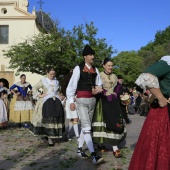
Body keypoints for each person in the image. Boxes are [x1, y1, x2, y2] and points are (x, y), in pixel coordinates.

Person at [129, 56, 170, 170]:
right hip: (164, 114)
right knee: (161, 148)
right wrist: (161, 98)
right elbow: (147, 76)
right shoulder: (168, 62)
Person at [66, 44, 104, 164]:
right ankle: (93, 156)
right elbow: (71, 86)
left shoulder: (96, 69)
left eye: (93, 54)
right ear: (84, 57)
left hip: (92, 100)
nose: (92, 56)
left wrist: (98, 89)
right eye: (90, 55)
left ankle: (79, 150)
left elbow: (99, 84)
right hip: (81, 100)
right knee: (87, 127)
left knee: (85, 127)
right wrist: (71, 101)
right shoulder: (78, 68)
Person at [92, 57, 126, 158]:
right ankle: (102, 144)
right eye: (109, 65)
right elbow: (96, 87)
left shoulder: (115, 76)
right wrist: (104, 92)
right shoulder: (99, 75)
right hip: (103, 102)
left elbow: (118, 87)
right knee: (104, 123)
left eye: (112, 66)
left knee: (114, 121)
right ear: (104, 66)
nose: (111, 67)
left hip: (114, 102)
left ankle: (114, 146)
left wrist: (116, 93)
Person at [29, 67, 65, 147]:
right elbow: (35, 87)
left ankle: (53, 134)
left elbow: (58, 91)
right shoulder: (43, 81)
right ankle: (49, 138)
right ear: (47, 73)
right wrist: (39, 95)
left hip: (56, 101)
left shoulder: (57, 81)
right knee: (46, 117)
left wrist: (60, 95)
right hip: (46, 101)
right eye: (51, 74)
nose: (52, 75)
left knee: (56, 118)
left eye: (54, 74)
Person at [61, 69, 80, 140]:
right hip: (70, 100)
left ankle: (68, 133)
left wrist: (77, 96)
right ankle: (73, 135)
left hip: (77, 99)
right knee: (72, 118)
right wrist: (69, 97)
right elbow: (63, 89)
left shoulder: (79, 78)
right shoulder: (68, 79)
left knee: (75, 118)